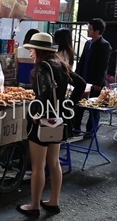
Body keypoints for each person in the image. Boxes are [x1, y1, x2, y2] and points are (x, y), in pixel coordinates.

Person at [17, 33, 85, 218]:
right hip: (58, 120)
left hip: (43, 123)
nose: (30, 53)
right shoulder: (60, 65)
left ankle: (34, 206)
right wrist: (68, 105)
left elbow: (46, 91)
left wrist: (37, 113)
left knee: (38, 166)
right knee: (54, 163)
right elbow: (81, 84)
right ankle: (54, 201)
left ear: (39, 51)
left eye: (31, 50)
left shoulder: (42, 68)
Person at [74, 18, 112, 137]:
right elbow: (82, 61)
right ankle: (76, 128)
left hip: (95, 82)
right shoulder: (88, 43)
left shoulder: (104, 45)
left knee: (93, 109)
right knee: (79, 105)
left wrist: (98, 83)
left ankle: (91, 131)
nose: (87, 31)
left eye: (90, 29)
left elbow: (103, 66)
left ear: (97, 31)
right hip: (83, 81)